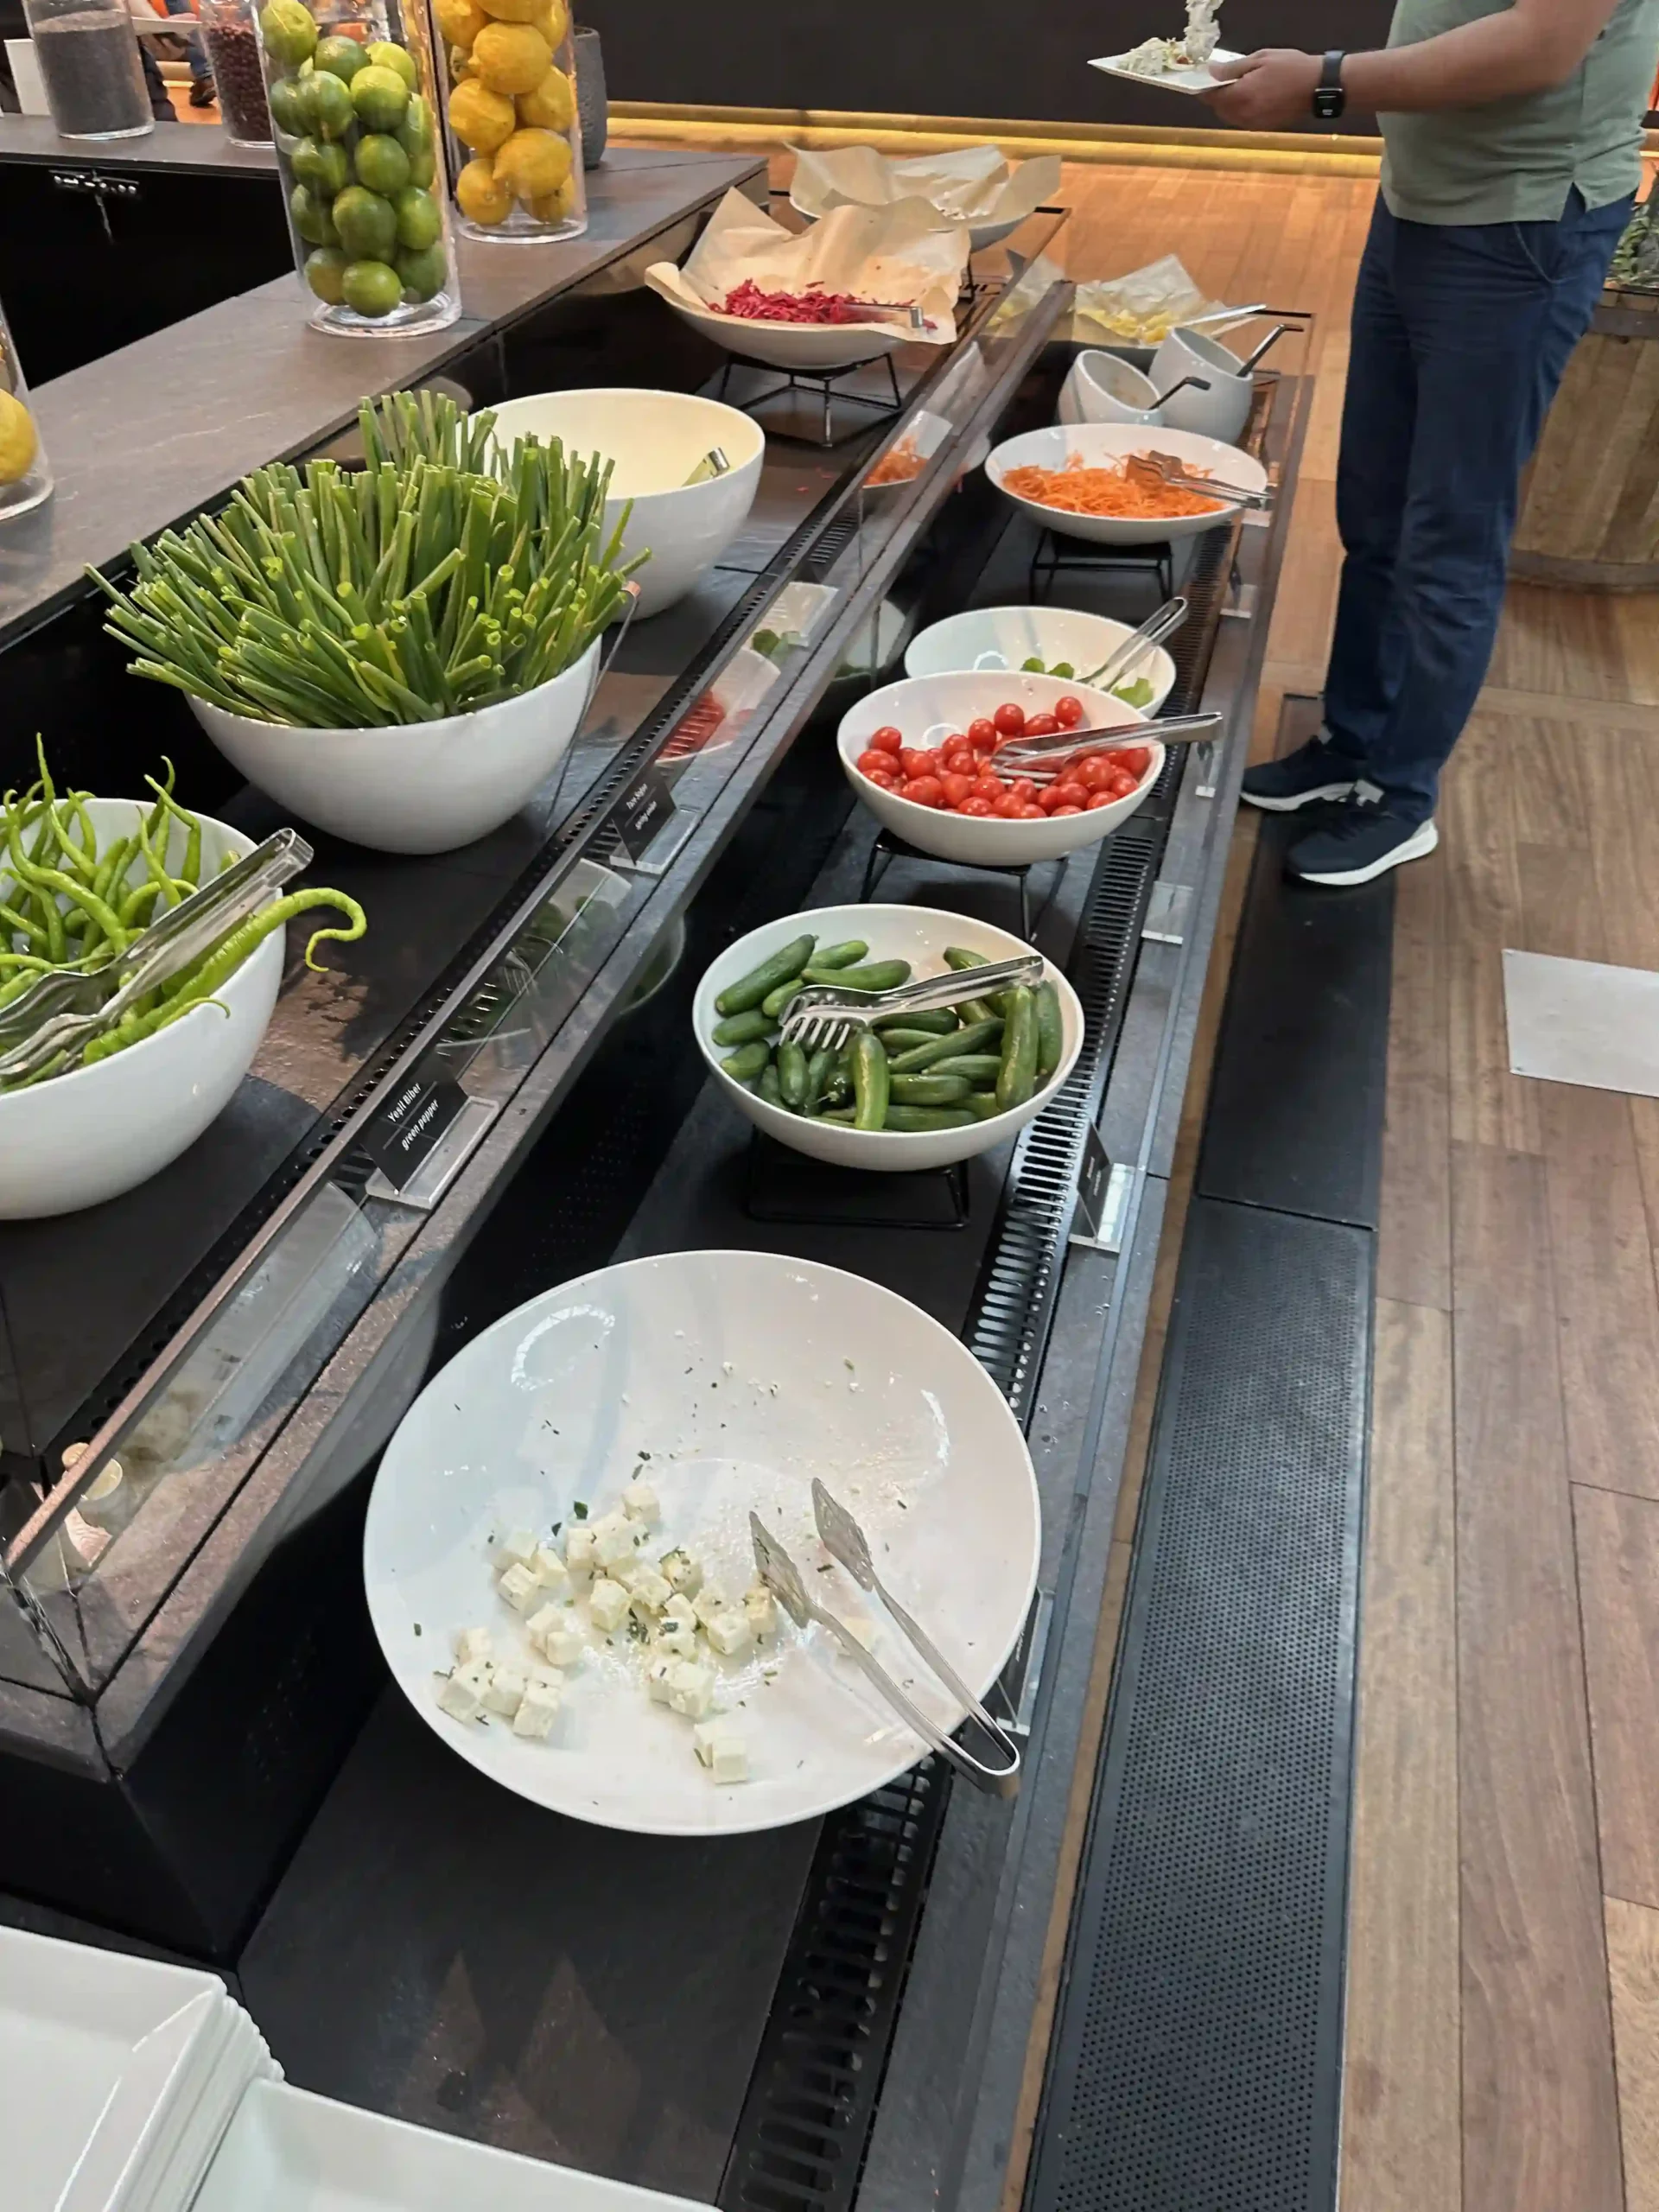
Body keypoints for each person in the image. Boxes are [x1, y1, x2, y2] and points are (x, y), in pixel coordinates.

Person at [1202, 0, 1659, 887]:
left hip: (1519, 226)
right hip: (1420, 201)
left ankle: (1401, 794)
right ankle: (1351, 740)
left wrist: (1327, 81)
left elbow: (1538, 46)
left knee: (1449, 534)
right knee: (1374, 511)